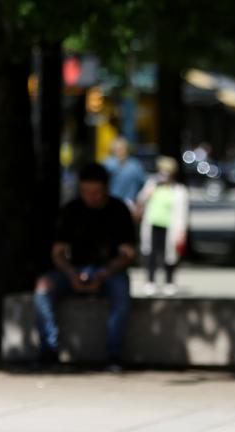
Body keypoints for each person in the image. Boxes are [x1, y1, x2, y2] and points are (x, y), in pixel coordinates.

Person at [34, 162, 135, 371]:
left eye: (96, 192)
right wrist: (71, 273)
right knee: (43, 286)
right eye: (86, 192)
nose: (91, 197)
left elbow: (128, 254)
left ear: (106, 188)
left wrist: (105, 273)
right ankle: (49, 349)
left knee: (122, 291)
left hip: (109, 271)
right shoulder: (72, 210)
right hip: (75, 270)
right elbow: (58, 252)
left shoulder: (119, 210)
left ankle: (113, 354)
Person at [135, 156, 189, 297]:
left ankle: (169, 283)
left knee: (169, 256)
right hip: (153, 224)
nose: (164, 175)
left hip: (170, 227)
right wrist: (148, 193)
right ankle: (150, 282)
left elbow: (182, 213)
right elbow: (140, 200)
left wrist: (181, 232)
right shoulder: (152, 185)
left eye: (167, 172)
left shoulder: (179, 190)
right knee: (151, 254)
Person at [104, 137, 146, 207]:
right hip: (111, 204)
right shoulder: (108, 164)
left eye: (122, 148)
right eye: (117, 149)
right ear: (113, 150)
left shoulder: (135, 165)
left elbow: (142, 183)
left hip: (130, 204)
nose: (120, 151)